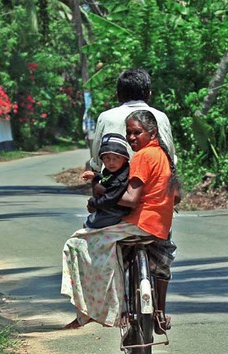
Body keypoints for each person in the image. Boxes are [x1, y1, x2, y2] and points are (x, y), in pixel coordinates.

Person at [62, 110, 180, 334]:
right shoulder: (162, 155)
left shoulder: (143, 157)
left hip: (140, 222)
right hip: (161, 225)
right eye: (129, 133)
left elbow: (130, 199)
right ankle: (158, 312)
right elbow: (177, 196)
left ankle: (95, 309)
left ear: (152, 132)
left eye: (137, 132)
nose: (132, 137)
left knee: (77, 243)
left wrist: (99, 202)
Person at [89, 69, 176, 172]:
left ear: (118, 94)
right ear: (149, 94)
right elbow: (170, 157)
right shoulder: (160, 117)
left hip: (115, 185)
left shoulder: (106, 117)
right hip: (154, 183)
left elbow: (97, 160)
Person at [82, 133, 131, 229]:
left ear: (124, 159)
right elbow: (107, 178)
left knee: (88, 225)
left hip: (114, 211)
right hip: (108, 206)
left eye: (116, 158)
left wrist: (93, 202)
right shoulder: (115, 170)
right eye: (107, 158)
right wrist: (95, 176)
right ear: (102, 159)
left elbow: (109, 199)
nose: (111, 162)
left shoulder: (120, 179)